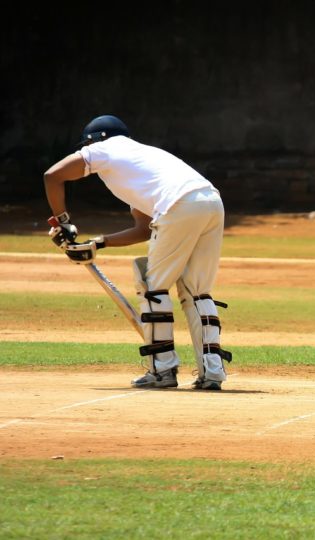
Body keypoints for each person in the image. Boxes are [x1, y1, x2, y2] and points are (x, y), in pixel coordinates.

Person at [43, 114, 231, 390]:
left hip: (178, 205)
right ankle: (212, 372)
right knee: (196, 290)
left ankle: (162, 370)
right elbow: (144, 229)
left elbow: (53, 176)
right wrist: (97, 243)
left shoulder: (103, 149)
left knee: (153, 286)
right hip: (211, 202)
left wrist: (63, 221)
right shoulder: (144, 160)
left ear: (94, 141)